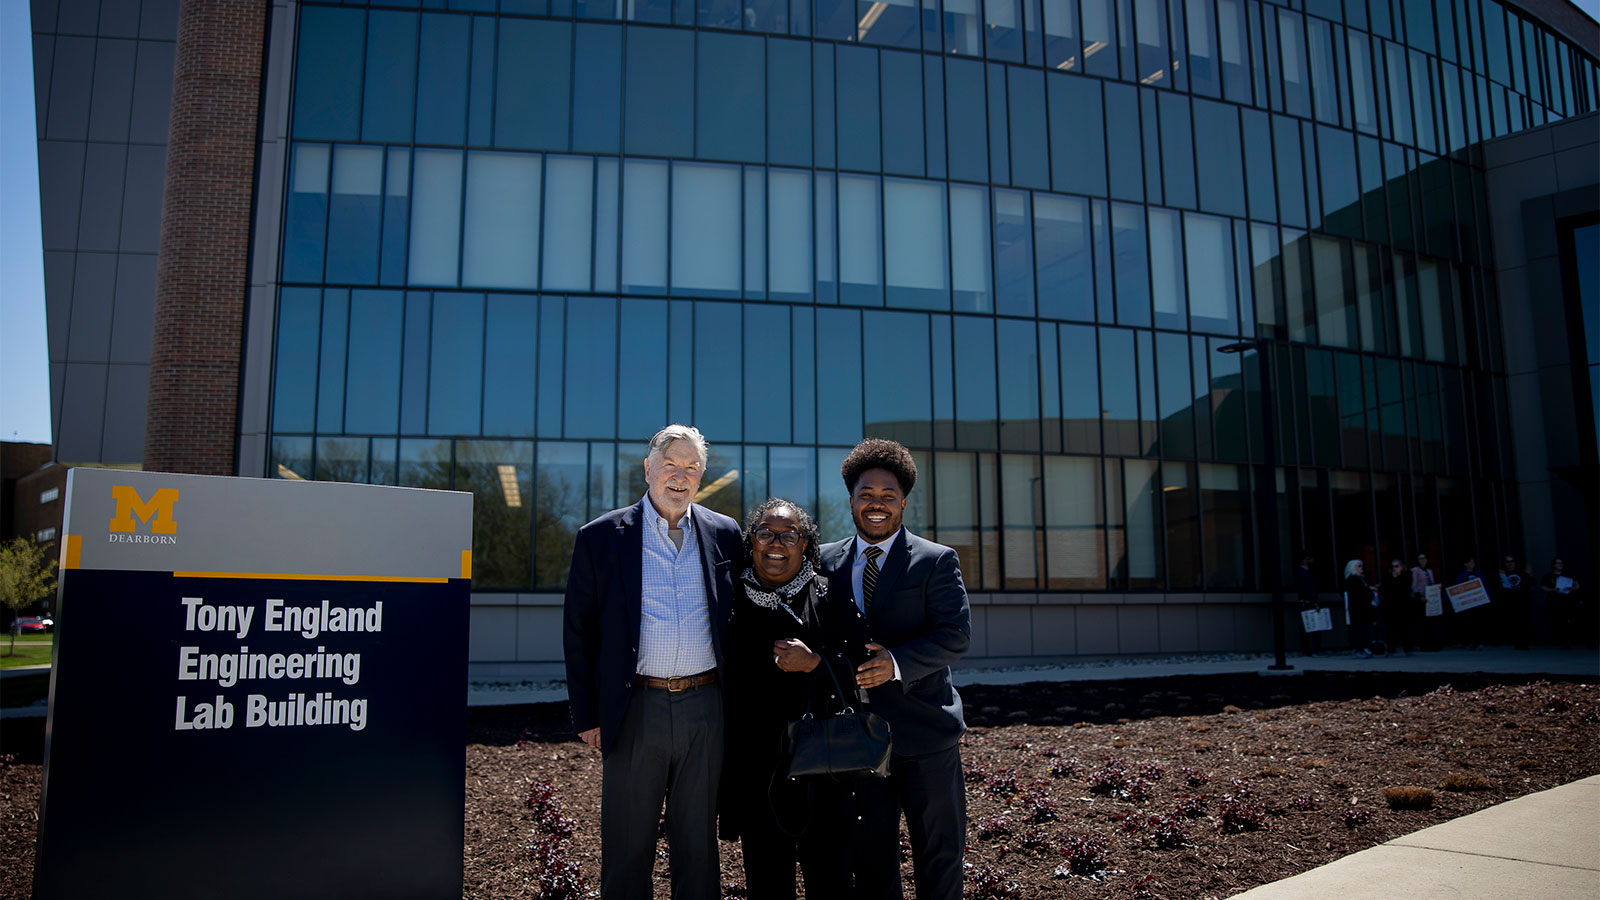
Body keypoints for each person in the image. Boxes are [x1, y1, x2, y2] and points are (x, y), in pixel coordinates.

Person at [562, 425, 744, 900]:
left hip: (706, 707)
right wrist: (587, 715)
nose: (680, 476)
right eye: (671, 464)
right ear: (649, 468)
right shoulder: (601, 537)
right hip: (634, 707)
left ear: (702, 476)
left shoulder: (726, 534)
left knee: (698, 843)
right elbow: (579, 633)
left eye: (691, 467)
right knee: (627, 842)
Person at [818, 439, 971, 900]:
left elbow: (955, 635)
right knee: (871, 859)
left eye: (888, 495)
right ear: (851, 500)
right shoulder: (823, 562)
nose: (877, 503)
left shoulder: (936, 561)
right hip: (860, 742)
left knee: (939, 856)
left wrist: (897, 663)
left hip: (926, 734)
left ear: (904, 501)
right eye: (867, 494)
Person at [721, 498, 864, 900]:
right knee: (766, 881)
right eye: (765, 533)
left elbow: (860, 666)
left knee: (831, 879)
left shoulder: (829, 595)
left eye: (789, 535)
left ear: (806, 546)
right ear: (752, 542)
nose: (776, 543)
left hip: (822, 764)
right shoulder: (729, 598)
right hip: (755, 768)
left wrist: (816, 663)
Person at [1539, 558, 1585, 649]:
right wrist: (1552, 590)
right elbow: (1543, 587)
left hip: (1566, 600)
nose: (1560, 565)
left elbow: (1577, 585)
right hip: (1554, 601)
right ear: (1553, 565)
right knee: (1556, 620)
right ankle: (1558, 640)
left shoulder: (1568, 574)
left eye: (1561, 563)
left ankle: (1569, 641)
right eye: (1558, 563)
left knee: (1568, 620)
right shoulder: (1548, 576)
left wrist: (1572, 588)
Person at [1380, 559, 1415, 655]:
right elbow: (1384, 590)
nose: (1394, 569)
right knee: (1391, 629)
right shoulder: (1387, 578)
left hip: (1403, 606)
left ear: (1401, 567)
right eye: (1393, 567)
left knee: (1405, 628)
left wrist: (1396, 579)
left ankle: (1407, 648)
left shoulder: (1406, 576)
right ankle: (1391, 648)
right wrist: (1393, 578)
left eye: (1397, 566)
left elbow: (1405, 589)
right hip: (1391, 607)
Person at [1497, 554, 1531, 650]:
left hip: (1522, 601)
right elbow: (1500, 588)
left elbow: (1530, 583)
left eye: (1512, 561)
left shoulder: (1521, 572)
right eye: (1508, 562)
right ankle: (1517, 642)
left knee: (1524, 622)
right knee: (1515, 622)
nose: (1510, 564)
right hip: (1511, 602)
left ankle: (1524, 643)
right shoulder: (1503, 574)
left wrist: (1529, 574)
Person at [1342, 559, 1375, 658]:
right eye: (1359, 566)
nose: (1361, 568)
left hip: (1364, 608)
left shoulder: (1362, 578)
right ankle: (1357, 649)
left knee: (1365, 629)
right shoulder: (1352, 579)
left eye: (1361, 566)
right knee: (1358, 630)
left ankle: (1363, 648)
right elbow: (1357, 593)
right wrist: (1369, 589)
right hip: (1357, 609)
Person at [1295, 552, 1324, 657]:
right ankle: (1308, 649)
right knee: (1307, 626)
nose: (1311, 561)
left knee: (1313, 625)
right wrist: (1304, 600)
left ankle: (1313, 649)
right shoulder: (1301, 572)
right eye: (1308, 559)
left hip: (1310, 600)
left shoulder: (1309, 572)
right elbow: (1304, 588)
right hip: (1307, 601)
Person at [1454, 557, 1488, 649]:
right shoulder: (1462, 576)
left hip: (1478, 603)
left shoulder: (1478, 574)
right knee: (1469, 623)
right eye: (1470, 562)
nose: (1472, 564)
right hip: (1467, 604)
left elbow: (1483, 586)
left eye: (1473, 562)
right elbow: (1459, 588)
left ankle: (1479, 642)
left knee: (1479, 623)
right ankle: (1470, 642)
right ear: (1465, 564)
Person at [1410, 553, 1439, 650]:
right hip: (1420, 598)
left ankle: (1432, 643)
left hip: (1430, 598)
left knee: (1431, 621)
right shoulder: (1415, 570)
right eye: (1420, 559)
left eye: (1424, 558)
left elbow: (1432, 583)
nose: (1423, 560)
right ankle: (1423, 644)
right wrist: (1419, 596)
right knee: (1423, 622)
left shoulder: (1429, 571)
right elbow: (1414, 585)